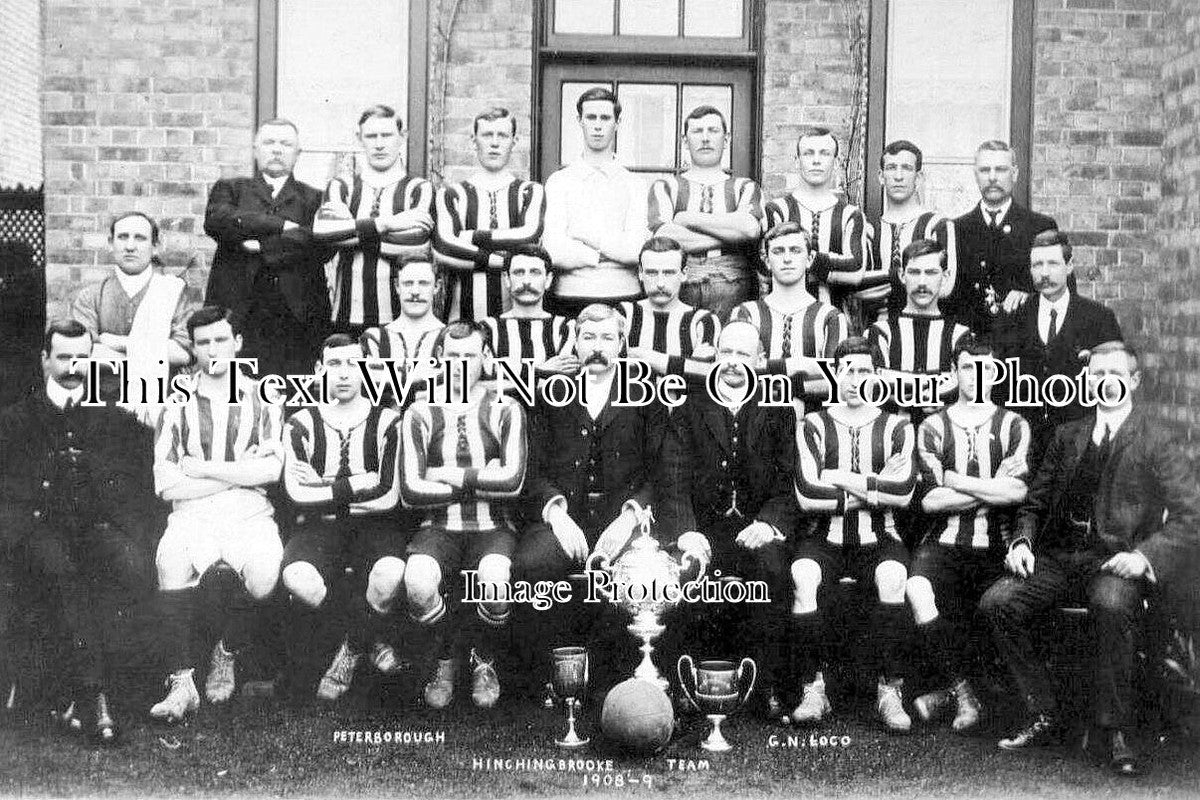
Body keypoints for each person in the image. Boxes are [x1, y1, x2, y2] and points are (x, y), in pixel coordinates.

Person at [980, 341, 1200, 777]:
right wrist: (1021, 543)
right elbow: (1034, 503)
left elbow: (1191, 515)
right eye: (1097, 374)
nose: (1105, 383)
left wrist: (1144, 557)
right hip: (1060, 557)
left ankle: (1116, 729)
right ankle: (1044, 710)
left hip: (1116, 559)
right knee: (998, 603)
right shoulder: (1068, 435)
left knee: (1112, 605)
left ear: (1133, 380)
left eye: (1115, 374)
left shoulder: (1156, 438)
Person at [512, 304, 699, 689]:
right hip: (565, 517)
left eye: (607, 338)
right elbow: (530, 468)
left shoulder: (644, 393)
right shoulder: (549, 392)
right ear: (574, 342)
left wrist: (630, 517)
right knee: (534, 564)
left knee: (641, 573)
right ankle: (554, 679)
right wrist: (557, 514)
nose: (597, 347)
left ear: (622, 344)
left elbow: (661, 469)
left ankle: (623, 678)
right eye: (588, 337)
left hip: (625, 517)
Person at [0, 321, 157, 744]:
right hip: (38, 529)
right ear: (45, 359)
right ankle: (93, 696)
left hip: (92, 528)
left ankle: (124, 687)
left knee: (131, 565)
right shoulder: (16, 420)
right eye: (63, 357)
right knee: (65, 575)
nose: (72, 366)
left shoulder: (112, 419)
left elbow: (134, 477)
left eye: (81, 357)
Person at [148, 306, 285, 721]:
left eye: (220, 339)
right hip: (191, 511)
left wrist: (204, 467)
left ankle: (226, 650)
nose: (212, 349)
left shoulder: (264, 395)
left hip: (249, 512)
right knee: (170, 562)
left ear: (238, 343)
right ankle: (182, 681)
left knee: (264, 577)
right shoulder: (178, 398)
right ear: (192, 349)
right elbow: (165, 483)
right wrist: (239, 474)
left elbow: (271, 470)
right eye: (203, 342)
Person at [667, 319, 798, 713]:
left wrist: (768, 524)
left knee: (772, 569)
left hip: (756, 525)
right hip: (704, 528)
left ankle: (766, 684)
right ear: (714, 356)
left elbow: (787, 479)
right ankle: (685, 684)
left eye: (744, 354)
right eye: (727, 353)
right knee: (683, 569)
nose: (733, 363)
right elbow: (672, 477)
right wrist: (686, 533)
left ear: (760, 360)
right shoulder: (688, 406)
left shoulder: (777, 408)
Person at [398, 322, 528, 708]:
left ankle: (483, 658)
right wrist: (483, 474)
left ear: (485, 359)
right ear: (439, 360)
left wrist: (447, 475)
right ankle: (445, 657)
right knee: (419, 584)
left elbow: (513, 483)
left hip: (493, 526)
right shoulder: (420, 412)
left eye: (469, 356)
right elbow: (410, 491)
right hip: (438, 527)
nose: (460, 364)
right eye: (452, 357)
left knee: (494, 581)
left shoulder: (506, 408)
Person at [791, 336, 916, 732]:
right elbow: (807, 495)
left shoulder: (896, 426)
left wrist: (839, 477)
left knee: (893, 576)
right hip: (824, 537)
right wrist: (875, 487)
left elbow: (905, 491)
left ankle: (889, 690)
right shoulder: (813, 423)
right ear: (834, 374)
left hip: (880, 538)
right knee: (803, 575)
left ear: (876, 376)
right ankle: (814, 688)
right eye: (846, 369)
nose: (854, 378)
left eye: (863, 370)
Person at [905, 336, 1030, 733]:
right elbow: (930, 501)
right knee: (917, 589)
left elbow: (1019, 492)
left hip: (997, 542)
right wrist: (989, 488)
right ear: (954, 373)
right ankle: (961, 692)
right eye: (967, 368)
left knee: (996, 610)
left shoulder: (1014, 424)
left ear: (996, 373)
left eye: (986, 369)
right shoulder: (932, 426)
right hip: (943, 541)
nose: (976, 376)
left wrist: (957, 479)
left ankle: (963, 696)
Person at [279, 335, 405, 701]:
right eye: (335, 364)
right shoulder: (300, 422)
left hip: (375, 526)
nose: (345, 374)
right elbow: (297, 494)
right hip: (320, 529)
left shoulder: (387, 421)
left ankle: (349, 651)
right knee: (297, 577)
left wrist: (327, 485)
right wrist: (360, 482)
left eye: (353, 364)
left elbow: (388, 495)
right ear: (320, 370)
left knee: (390, 573)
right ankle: (367, 639)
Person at [203, 119, 330, 379]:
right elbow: (219, 220)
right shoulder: (231, 189)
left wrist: (261, 244)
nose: (276, 149)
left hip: (297, 321)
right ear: (255, 149)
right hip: (237, 317)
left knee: (294, 402)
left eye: (285, 144)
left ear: (297, 153)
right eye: (269, 142)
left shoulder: (314, 198)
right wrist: (282, 225)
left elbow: (319, 243)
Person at [991, 230, 1121, 468]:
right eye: (1037, 265)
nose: (1044, 273)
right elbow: (999, 387)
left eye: (1052, 263)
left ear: (1069, 266)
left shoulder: (1098, 318)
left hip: (1080, 449)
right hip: (1025, 448)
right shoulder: (1013, 316)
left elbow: (1113, 388)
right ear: (1029, 270)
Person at [313, 104, 435, 339]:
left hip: (400, 317)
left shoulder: (418, 189)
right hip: (346, 314)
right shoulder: (342, 186)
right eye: (371, 136)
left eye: (387, 135)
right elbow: (324, 233)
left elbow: (417, 244)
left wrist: (351, 233)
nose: (379, 144)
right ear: (360, 139)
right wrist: (387, 224)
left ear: (403, 137)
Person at [648, 105, 763, 320]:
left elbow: (749, 229)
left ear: (726, 139)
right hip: (682, 287)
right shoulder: (666, 186)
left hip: (736, 286)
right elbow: (664, 238)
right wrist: (730, 236)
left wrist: (685, 218)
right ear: (684, 140)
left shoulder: (744, 187)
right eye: (697, 131)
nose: (705, 138)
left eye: (713, 131)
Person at [71, 212, 194, 409]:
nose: (130, 246)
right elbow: (82, 354)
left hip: (161, 404)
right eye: (122, 237)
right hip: (103, 405)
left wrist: (118, 343)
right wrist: (154, 354)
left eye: (140, 238)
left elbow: (183, 352)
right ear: (111, 243)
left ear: (155, 246)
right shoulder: (91, 296)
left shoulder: (173, 292)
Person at [433, 107, 547, 321]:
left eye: (502, 135)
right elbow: (445, 248)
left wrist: (471, 237)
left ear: (514, 141)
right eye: (487, 135)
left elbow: (529, 236)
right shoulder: (451, 194)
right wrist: (501, 261)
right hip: (463, 313)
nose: (494, 143)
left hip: (518, 313)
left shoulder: (529, 191)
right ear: (473, 140)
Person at [542, 87, 648, 316]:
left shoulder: (634, 183)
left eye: (605, 118)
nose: (598, 125)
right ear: (579, 121)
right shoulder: (559, 182)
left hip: (624, 294)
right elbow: (554, 250)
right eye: (591, 117)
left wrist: (586, 237)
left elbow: (635, 250)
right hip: (569, 295)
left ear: (617, 122)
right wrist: (605, 254)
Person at [731, 222, 847, 406]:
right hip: (757, 420)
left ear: (809, 259)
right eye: (778, 251)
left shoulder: (830, 317)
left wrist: (771, 374)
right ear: (767, 261)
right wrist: (800, 367)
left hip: (811, 421)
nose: (787, 259)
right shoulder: (746, 313)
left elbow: (835, 381)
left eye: (795, 250)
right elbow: (737, 372)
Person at [947, 140, 1058, 333]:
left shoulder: (1040, 227)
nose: (992, 177)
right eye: (984, 170)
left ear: (1014, 174)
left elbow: (1062, 294)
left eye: (1000, 170)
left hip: (1024, 343)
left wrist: (1029, 296)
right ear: (975, 175)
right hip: (970, 348)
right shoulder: (955, 230)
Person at [762, 126, 872, 314]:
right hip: (782, 313)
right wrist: (833, 265)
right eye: (808, 153)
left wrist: (800, 260)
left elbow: (855, 272)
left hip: (835, 314)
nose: (816, 160)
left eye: (825, 153)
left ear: (836, 162)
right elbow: (767, 268)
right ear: (797, 161)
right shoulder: (776, 210)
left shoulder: (851, 215)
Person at [867, 238, 970, 430]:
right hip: (892, 441)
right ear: (901, 275)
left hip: (944, 444)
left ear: (946, 276)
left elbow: (970, 391)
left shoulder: (960, 335)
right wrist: (941, 383)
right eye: (914, 272)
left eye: (931, 273)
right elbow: (877, 388)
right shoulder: (880, 332)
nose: (922, 282)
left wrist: (900, 381)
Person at [479, 246, 578, 399]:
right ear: (507, 279)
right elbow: (481, 384)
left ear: (548, 280)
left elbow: (560, 385)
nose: (526, 281)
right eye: (519, 273)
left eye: (535, 272)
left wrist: (507, 377)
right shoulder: (487, 328)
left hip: (549, 418)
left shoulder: (565, 327)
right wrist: (540, 371)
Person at [871, 140, 955, 320]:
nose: (898, 176)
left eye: (906, 168)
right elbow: (859, 289)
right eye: (891, 168)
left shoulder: (937, 225)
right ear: (880, 176)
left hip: (927, 325)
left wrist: (881, 284)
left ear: (918, 178)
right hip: (877, 328)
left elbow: (946, 287)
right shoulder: (871, 229)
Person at [620, 237, 721, 382]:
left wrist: (642, 356)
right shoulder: (624, 313)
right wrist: (685, 365)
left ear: (684, 274)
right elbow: (610, 366)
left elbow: (705, 372)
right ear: (640, 273)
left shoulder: (703, 320)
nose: (660, 283)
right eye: (652, 273)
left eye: (669, 273)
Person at [359, 259, 445, 410]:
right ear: (397, 286)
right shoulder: (375, 339)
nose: (415, 292)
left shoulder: (449, 338)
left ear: (437, 286)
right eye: (408, 283)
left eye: (424, 283)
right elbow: (372, 393)